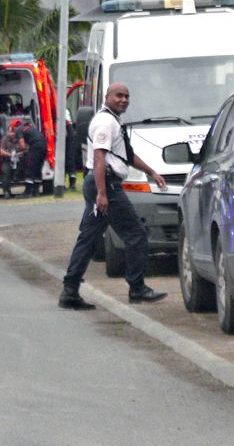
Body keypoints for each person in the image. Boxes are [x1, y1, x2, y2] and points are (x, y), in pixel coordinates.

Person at [58, 83, 167, 308]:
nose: (124, 100)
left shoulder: (113, 120)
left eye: (127, 96)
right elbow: (99, 158)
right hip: (106, 185)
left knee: (88, 239)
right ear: (107, 96)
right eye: (119, 96)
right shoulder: (105, 122)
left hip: (100, 183)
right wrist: (102, 193)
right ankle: (137, 288)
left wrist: (151, 172)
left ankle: (70, 291)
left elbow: (126, 154)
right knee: (137, 234)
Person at [20, 115, 47, 198]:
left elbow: (22, 146)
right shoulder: (32, 129)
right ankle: (36, 191)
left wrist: (23, 151)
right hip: (43, 146)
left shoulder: (19, 130)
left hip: (35, 147)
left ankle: (28, 192)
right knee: (37, 168)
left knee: (29, 167)